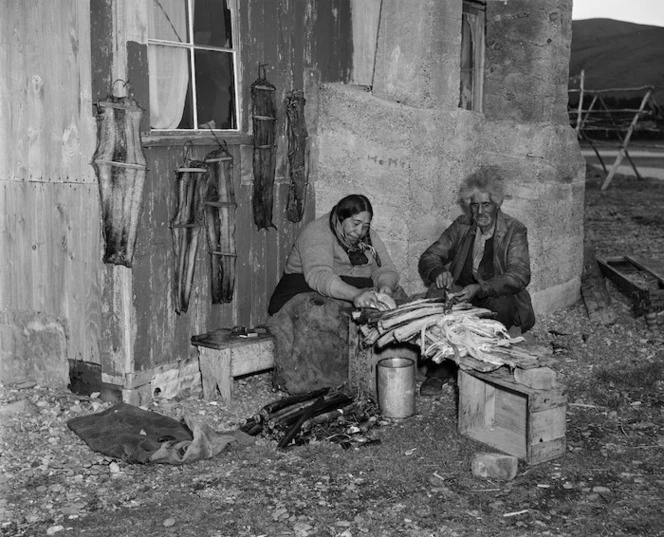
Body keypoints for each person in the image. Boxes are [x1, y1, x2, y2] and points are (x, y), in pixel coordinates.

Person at [417, 168, 535, 395]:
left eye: (486, 205)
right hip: (463, 294)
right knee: (436, 298)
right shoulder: (462, 225)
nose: (480, 211)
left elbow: (519, 275)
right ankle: (439, 372)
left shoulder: (514, 230)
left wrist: (481, 288)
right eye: (474, 205)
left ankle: (485, 371)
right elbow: (429, 256)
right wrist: (438, 271)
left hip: (495, 297)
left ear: (497, 203)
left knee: (501, 305)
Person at [268, 194, 400, 394]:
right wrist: (356, 295)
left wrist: (385, 289)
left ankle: (381, 371)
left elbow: (386, 270)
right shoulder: (317, 232)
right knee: (321, 313)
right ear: (340, 217)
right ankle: (324, 381)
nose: (360, 231)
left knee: (400, 303)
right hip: (306, 291)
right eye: (355, 224)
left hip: (353, 290)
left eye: (365, 225)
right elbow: (319, 276)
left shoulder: (367, 236)